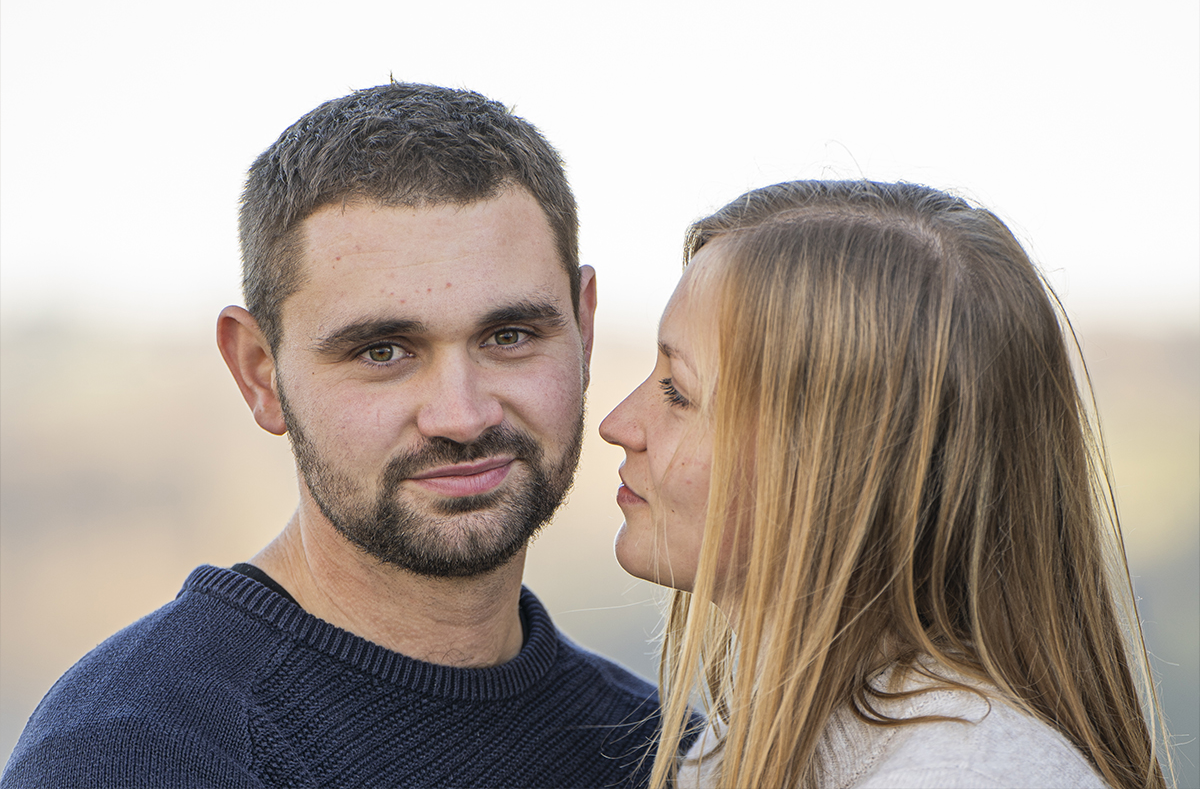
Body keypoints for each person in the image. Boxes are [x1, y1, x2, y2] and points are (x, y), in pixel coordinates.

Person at [3, 82, 668, 788]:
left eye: (509, 336)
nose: (462, 415)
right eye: (383, 351)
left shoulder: (669, 757)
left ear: (583, 329)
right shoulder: (137, 754)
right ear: (260, 373)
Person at [600, 180, 1171, 789]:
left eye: (677, 393)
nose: (618, 425)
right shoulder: (732, 748)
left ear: (834, 464)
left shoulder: (969, 776)